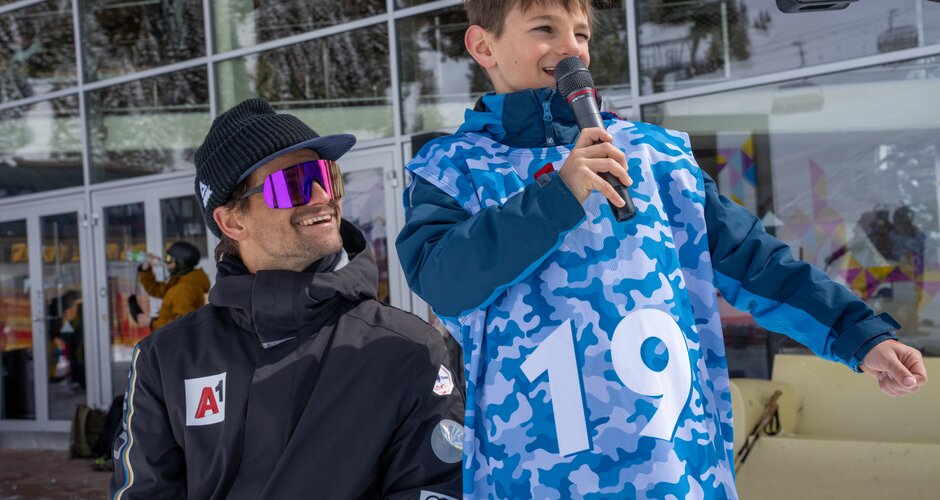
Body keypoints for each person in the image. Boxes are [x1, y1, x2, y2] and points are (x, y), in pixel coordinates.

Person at [395, 0, 929, 497]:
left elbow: (756, 264)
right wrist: (556, 196)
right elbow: (443, 280)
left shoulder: (656, 156)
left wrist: (856, 334)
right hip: (535, 472)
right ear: (483, 46)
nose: (571, 48)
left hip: (671, 468)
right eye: (544, 29)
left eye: (581, 33)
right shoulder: (452, 169)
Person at [110, 98, 464, 499]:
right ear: (232, 221)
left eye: (327, 177)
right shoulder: (167, 358)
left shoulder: (407, 348)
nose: (321, 196)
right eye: (292, 184)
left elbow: (435, 488)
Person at [134, 241, 210, 330]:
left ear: (180, 263)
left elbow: (182, 326)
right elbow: (156, 289)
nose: (166, 262)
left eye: (169, 258)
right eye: (166, 257)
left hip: (172, 338)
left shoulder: (183, 289)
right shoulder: (182, 280)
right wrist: (145, 269)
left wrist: (151, 323)